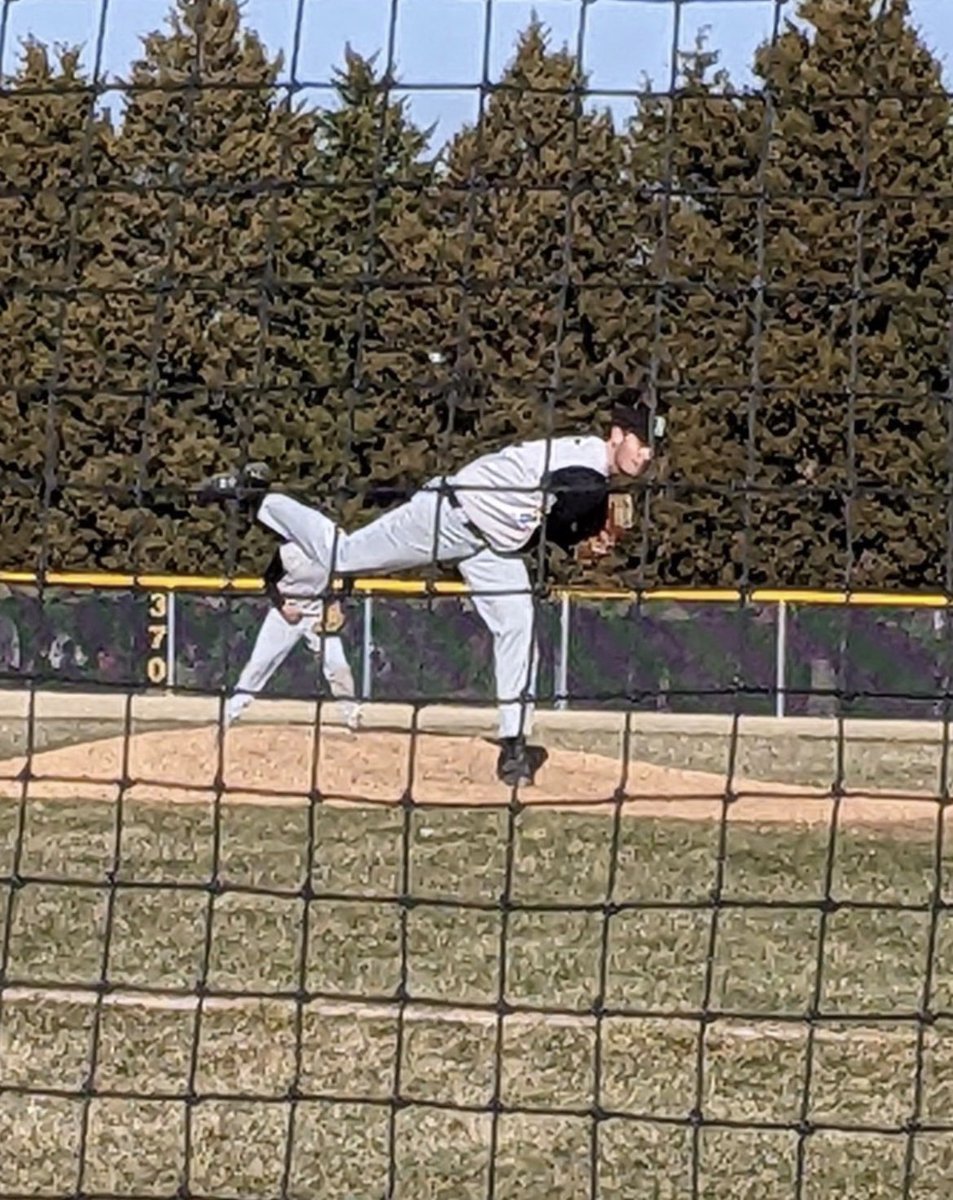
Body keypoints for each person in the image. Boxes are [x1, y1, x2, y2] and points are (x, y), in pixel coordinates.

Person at [200, 392, 663, 785]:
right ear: (618, 436)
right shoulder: (586, 467)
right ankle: (259, 497)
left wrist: (577, 535)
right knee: (343, 557)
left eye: (651, 450)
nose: (646, 456)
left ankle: (513, 745)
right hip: (448, 514)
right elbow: (572, 499)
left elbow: (544, 518)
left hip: (492, 548)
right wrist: (584, 532)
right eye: (641, 444)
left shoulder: (589, 476)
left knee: (519, 623)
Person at [223, 540, 361, 731]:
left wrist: (339, 601)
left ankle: (352, 714)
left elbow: (349, 575)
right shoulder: (287, 552)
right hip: (284, 615)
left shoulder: (330, 549)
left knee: (337, 665)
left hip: (317, 615)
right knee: (259, 664)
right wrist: (282, 606)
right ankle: (231, 711)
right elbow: (269, 581)